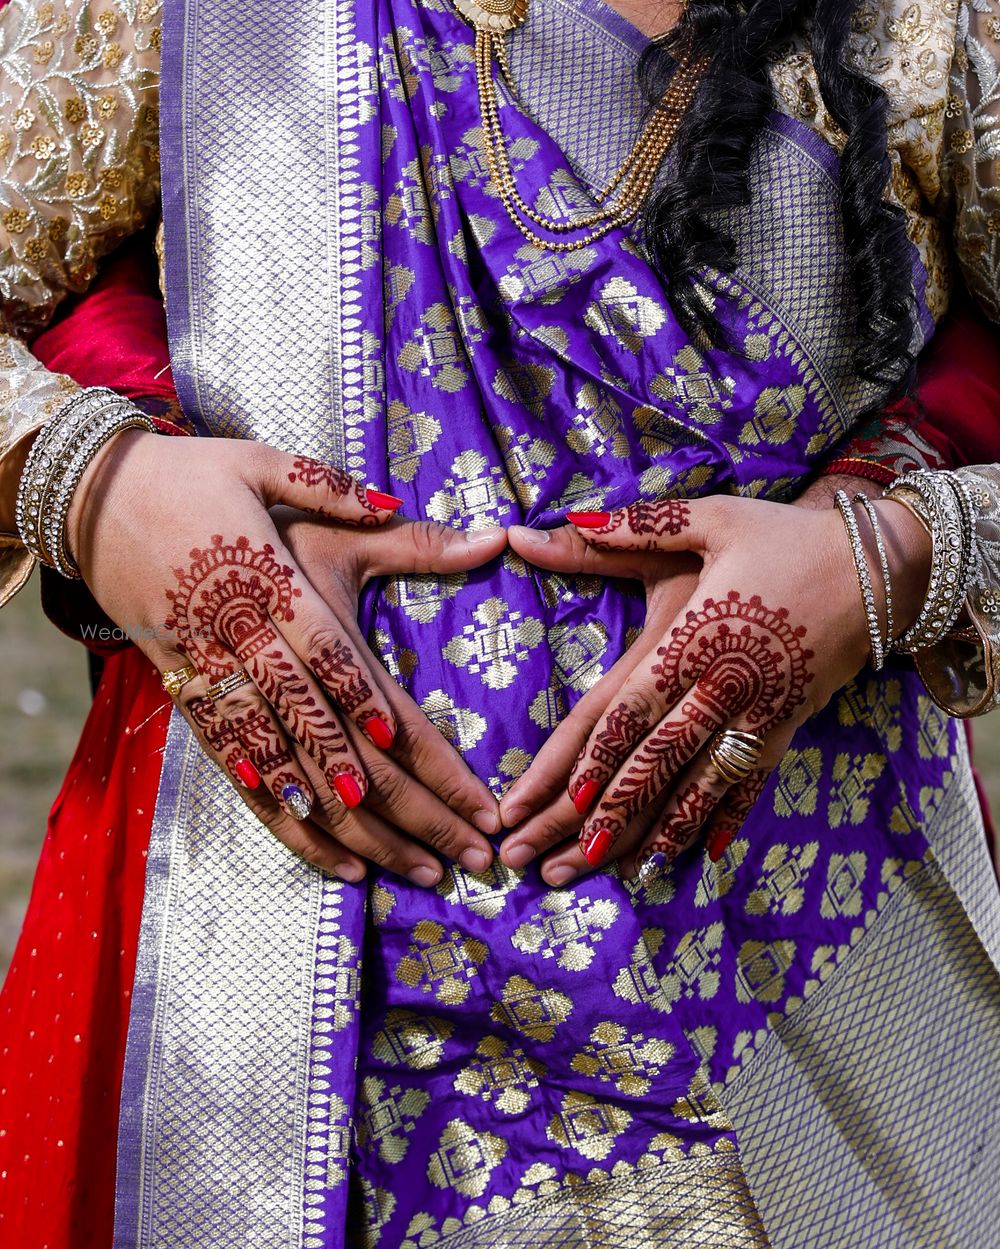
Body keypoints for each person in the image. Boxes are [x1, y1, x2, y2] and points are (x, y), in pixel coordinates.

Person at [0, 0, 998, 1245]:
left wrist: (889, 557)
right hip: (282, 1011)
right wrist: (96, 485)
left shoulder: (930, 23)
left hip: (816, 986)